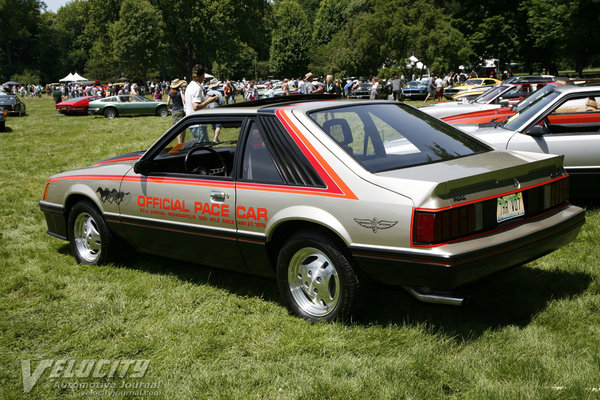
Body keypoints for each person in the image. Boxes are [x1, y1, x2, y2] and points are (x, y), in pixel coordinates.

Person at [184, 64, 218, 143]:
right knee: (203, 149)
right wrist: (209, 101)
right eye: (204, 74)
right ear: (201, 75)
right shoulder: (196, 88)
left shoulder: (191, 85)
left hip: (194, 123)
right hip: (198, 124)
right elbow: (195, 106)